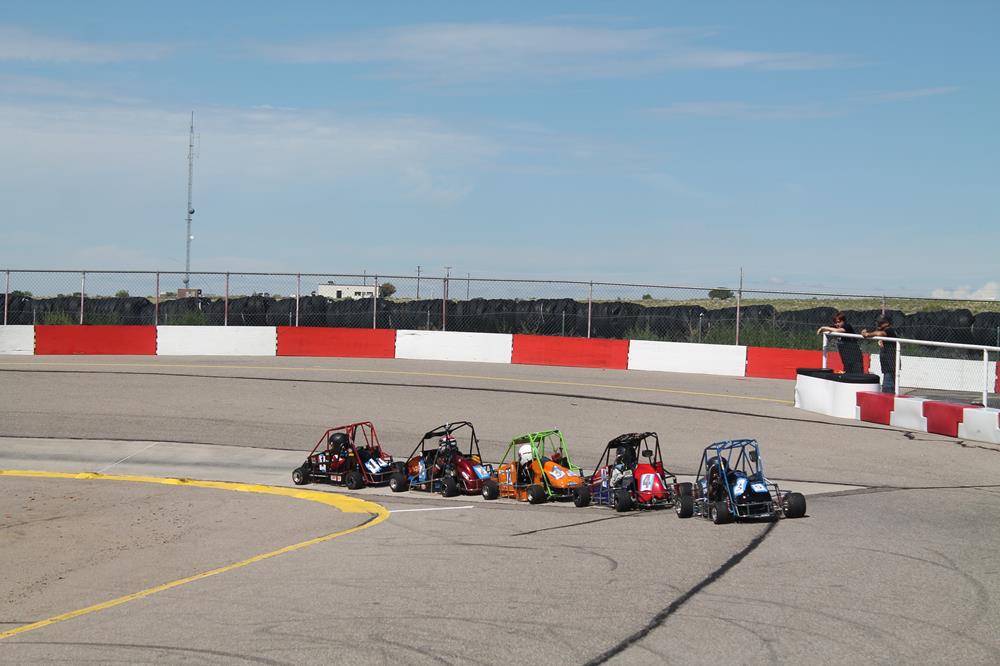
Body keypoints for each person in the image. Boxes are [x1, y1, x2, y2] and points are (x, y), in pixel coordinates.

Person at [863, 315, 899, 393]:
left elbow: (880, 333)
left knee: (888, 385)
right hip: (887, 362)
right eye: (878, 323)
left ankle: (888, 396)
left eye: (881, 323)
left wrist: (868, 334)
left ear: (887, 323)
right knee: (887, 380)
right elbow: (873, 331)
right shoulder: (883, 329)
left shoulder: (889, 330)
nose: (878, 325)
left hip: (891, 362)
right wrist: (865, 332)